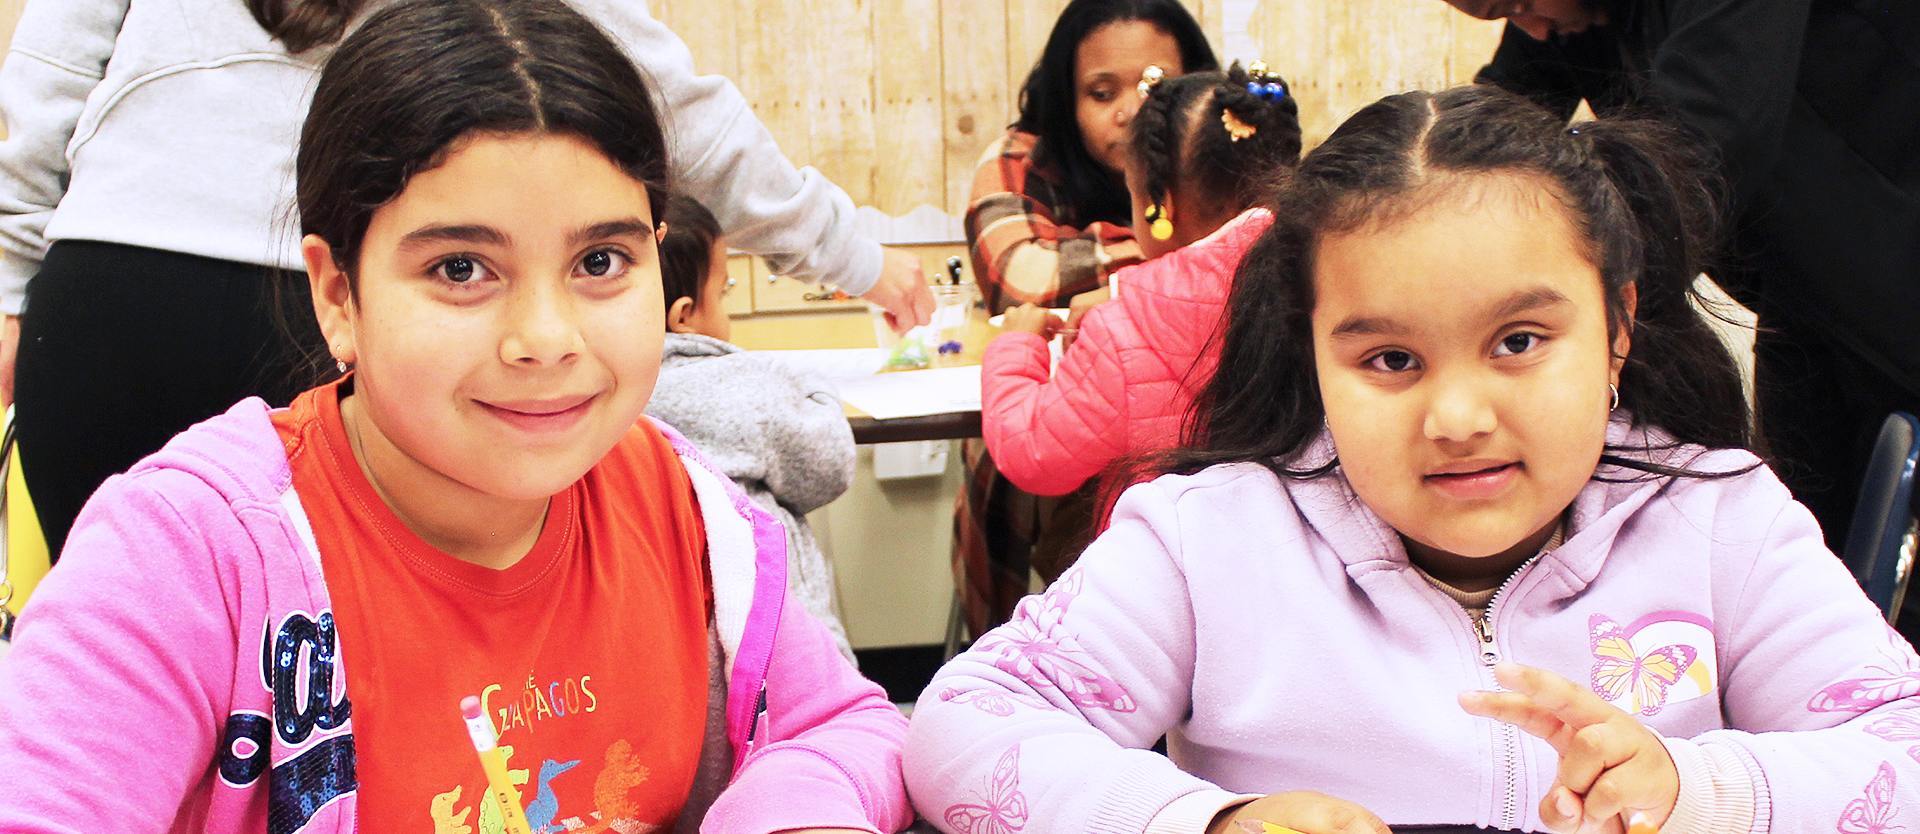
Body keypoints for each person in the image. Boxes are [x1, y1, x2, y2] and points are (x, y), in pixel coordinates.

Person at [904, 86, 1920, 834]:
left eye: (1519, 341)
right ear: (1316, 352)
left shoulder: (1720, 521)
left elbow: (1902, 748)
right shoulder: (1208, 539)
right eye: (1390, 358)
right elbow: (963, 726)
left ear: (1614, 332)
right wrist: (1209, 823)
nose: (1458, 415)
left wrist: (1698, 792)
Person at [0, 2, 914, 832]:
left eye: (600, 262)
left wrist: (791, 810)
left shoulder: (683, 502)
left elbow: (844, 725)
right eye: (460, 270)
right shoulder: (185, 556)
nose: (546, 340)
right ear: (338, 296)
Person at [0, 0, 932, 557]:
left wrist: (10, 290)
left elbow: (46, 80)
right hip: (340, 323)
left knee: (157, 725)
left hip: (99, 311)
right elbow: (677, 114)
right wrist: (859, 259)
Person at [1437, 0, 1920, 639]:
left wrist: (1556, 302)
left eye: (1517, 3)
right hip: (1803, 305)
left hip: (1896, 279)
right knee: (1815, 566)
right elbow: (1495, 118)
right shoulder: (1574, 16)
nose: (1528, 27)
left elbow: (1707, 137)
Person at [985, 63, 1301, 499]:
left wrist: (1016, 347)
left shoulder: (1123, 331)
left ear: (1160, 204)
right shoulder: (1329, 276)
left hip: (1173, 562)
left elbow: (1031, 452)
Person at [646, 194, 860, 665]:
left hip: (672, 657)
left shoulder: (610, 398)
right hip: (780, 656)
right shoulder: (747, 385)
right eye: (722, 295)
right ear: (684, 316)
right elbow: (829, 467)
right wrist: (803, 380)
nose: (728, 314)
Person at [966, 0, 1218, 315]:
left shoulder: (1224, 151)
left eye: (1155, 88)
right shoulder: (1021, 157)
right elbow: (1016, 280)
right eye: (1102, 93)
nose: (1132, 113)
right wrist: (1194, 259)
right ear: (1066, 99)